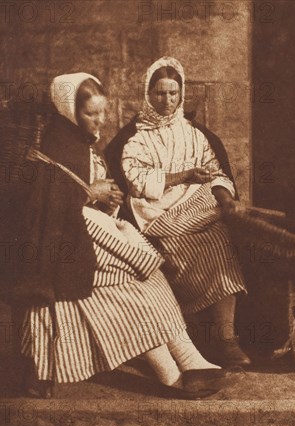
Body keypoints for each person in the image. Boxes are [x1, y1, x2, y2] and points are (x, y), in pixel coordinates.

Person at [13, 72, 230, 399]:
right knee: (139, 285)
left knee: (153, 278)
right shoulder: (57, 144)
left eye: (102, 111)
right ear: (70, 110)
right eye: (91, 113)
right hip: (63, 243)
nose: (100, 120)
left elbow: (88, 188)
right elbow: (45, 207)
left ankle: (190, 359)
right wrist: (91, 194)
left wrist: (103, 196)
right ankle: (171, 373)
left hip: (85, 228)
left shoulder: (78, 140)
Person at [108, 57, 251, 368]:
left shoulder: (194, 133)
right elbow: (138, 180)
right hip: (157, 213)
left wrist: (225, 199)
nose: (167, 101)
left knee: (223, 238)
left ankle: (226, 338)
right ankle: (190, 336)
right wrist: (183, 175)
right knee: (185, 246)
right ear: (148, 93)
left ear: (181, 93)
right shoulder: (136, 136)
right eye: (160, 93)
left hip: (196, 207)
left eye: (173, 93)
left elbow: (216, 172)